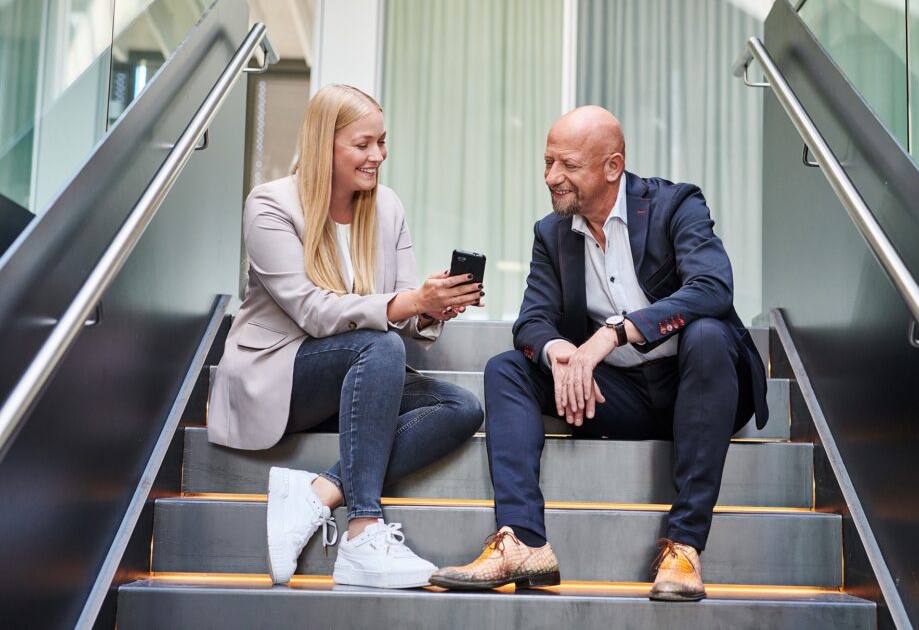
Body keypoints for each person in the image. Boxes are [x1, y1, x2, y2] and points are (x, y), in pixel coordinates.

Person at [430, 106, 767, 601]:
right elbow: (531, 320)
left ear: (612, 167)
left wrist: (615, 332)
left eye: (567, 165)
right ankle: (523, 540)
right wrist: (560, 351)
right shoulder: (551, 232)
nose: (551, 177)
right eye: (547, 163)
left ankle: (685, 548)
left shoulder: (676, 205)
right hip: (616, 396)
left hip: (698, 392)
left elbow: (713, 287)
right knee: (507, 367)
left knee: (710, 334)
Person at [207, 84, 485, 589]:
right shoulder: (270, 205)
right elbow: (313, 313)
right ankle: (362, 529)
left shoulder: (387, 207)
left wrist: (432, 307)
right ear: (324, 144)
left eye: (382, 143)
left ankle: (320, 491)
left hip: (357, 372)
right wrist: (408, 304)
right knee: (380, 346)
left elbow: (402, 312)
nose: (377, 155)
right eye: (363, 144)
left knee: (461, 407)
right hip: (279, 373)